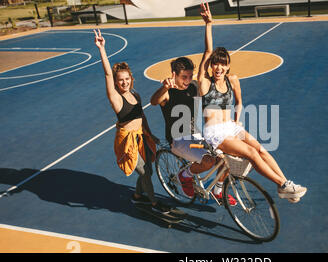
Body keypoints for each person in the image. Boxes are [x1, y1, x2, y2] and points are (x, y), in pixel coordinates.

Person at [197, 3, 307, 203]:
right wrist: (208, 25)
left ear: (228, 66)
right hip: (214, 133)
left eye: (223, 63)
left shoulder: (233, 80)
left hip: (231, 127)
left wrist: (237, 120)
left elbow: (239, 102)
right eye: (216, 63)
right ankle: (282, 185)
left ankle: (286, 183)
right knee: (250, 153)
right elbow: (207, 51)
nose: (219, 67)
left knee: (261, 149)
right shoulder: (204, 84)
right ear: (211, 66)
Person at [151, 57, 237, 205]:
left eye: (190, 76)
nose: (188, 80)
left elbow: (208, 86)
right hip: (178, 139)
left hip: (196, 135)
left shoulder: (193, 86)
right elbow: (153, 101)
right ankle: (185, 175)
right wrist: (164, 87)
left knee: (226, 159)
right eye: (184, 77)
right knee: (209, 161)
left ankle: (218, 191)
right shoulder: (168, 92)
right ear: (174, 74)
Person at [94, 29, 164, 209]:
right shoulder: (116, 99)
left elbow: (142, 116)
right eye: (120, 80)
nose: (124, 82)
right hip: (127, 141)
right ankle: (154, 202)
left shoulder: (136, 95)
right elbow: (108, 75)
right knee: (145, 172)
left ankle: (137, 195)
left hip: (141, 136)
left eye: (126, 79)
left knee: (146, 170)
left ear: (131, 79)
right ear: (116, 83)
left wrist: (150, 134)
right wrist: (102, 49)